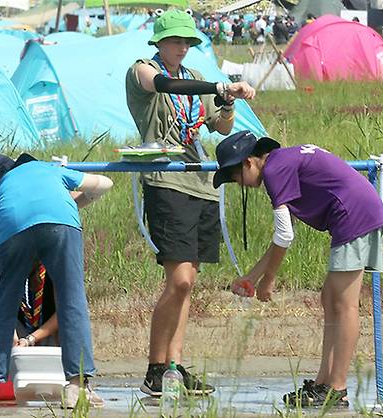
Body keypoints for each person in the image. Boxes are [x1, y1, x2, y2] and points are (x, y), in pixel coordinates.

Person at [124, 9, 256, 397]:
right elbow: (163, 85)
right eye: (175, 40)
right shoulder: (142, 70)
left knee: (188, 283)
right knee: (178, 280)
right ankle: (155, 366)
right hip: (166, 180)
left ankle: (175, 365)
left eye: (187, 42)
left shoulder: (197, 78)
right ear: (159, 42)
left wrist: (229, 99)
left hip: (202, 183)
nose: (182, 47)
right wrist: (219, 86)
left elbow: (222, 125)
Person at [213, 131, 383, 408]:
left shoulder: (274, 170)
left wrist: (268, 280)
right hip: (356, 210)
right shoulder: (282, 161)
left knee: (345, 305)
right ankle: (323, 383)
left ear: (248, 163)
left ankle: (337, 388)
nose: (238, 184)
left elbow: (284, 236)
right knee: (330, 299)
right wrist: (251, 278)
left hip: (354, 214)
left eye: (234, 178)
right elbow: (286, 231)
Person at [0, 154, 113, 409]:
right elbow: (104, 184)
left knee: (3, 306)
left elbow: (2, 268)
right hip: (61, 221)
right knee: (71, 300)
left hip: (12, 226)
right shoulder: (49, 169)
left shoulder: (3, 195)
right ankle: (76, 387)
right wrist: (70, 203)